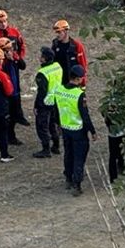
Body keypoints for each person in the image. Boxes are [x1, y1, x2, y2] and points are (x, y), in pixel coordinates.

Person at [51, 64, 97, 195]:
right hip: (78, 130)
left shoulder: (59, 90)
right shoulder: (79, 94)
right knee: (79, 157)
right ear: (78, 79)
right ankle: (77, 183)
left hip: (65, 128)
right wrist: (92, 131)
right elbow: (85, 115)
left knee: (68, 154)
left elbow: (56, 110)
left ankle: (68, 178)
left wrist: (58, 125)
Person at [100, 61, 125, 183]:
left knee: (116, 154)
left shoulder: (113, 97)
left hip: (117, 130)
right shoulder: (118, 98)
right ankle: (123, 177)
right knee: (121, 154)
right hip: (120, 130)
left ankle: (115, 176)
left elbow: (104, 112)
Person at [0, 37, 29, 144]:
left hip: (15, 91)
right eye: (7, 50)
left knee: (14, 116)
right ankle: (0, 138)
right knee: (5, 117)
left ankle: (11, 136)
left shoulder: (13, 57)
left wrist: (15, 59)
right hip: (5, 94)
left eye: (10, 49)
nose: (10, 51)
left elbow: (23, 66)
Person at [32, 47, 63, 158]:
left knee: (42, 126)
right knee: (52, 125)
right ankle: (56, 146)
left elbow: (42, 92)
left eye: (41, 56)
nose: (40, 58)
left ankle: (46, 150)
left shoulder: (42, 73)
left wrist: (36, 105)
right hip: (56, 100)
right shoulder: (57, 66)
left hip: (45, 102)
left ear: (45, 58)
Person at [51, 19, 89, 85]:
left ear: (65, 31)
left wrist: (82, 83)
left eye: (59, 32)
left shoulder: (76, 46)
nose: (57, 35)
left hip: (72, 82)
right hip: (59, 81)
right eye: (56, 32)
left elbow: (83, 65)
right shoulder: (55, 44)